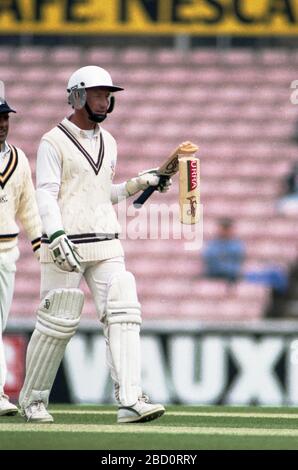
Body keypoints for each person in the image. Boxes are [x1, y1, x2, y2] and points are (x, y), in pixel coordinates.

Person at [19, 66, 170, 423]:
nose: (105, 100)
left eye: (107, 94)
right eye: (98, 94)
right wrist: (53, 234)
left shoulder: (110, 141)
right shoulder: (52, 141)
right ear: (77, 96)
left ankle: (130, 399)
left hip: (106, 241)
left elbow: (103, 195)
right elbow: (47, 194)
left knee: (124, 311)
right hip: (65, 244)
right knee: (56, 320)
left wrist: (140, 183)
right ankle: (34, 401)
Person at [0, 81, 41, 416]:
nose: (2, 124)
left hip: (6, 253)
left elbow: (28, 207)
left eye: (5, 118)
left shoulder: (18, 159)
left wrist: (41, 245)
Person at [202, 218, 245, 282]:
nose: (225, 232)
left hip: (232, 276)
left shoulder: (237, 245)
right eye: (223, 229)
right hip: (214, 275)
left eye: (227, 229)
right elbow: (209, 258)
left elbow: (239, 258)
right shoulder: (212, 244)